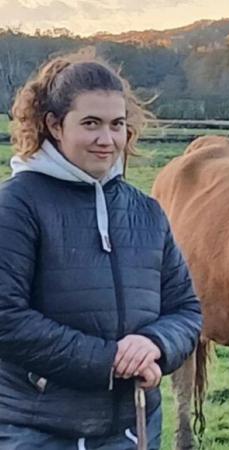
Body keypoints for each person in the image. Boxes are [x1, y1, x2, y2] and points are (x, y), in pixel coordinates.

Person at [0, 51, 202, 449]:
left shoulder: (146, 212)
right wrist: (107, 360)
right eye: (90, 124)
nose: (107, 139)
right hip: (35, 431)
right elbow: (6, 317)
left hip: (132, 428)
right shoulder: (17, 206)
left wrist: (156, 345)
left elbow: (186, 309)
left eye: (117, 125)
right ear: (54, 125)